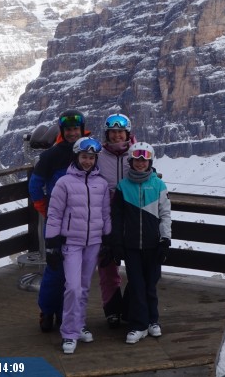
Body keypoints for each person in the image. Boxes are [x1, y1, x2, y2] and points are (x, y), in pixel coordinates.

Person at [45, 136, 111, 355]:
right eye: (84, 157)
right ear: (76, 156)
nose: (87, 161)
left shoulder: (101, 183)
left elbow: (105, 213)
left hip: (94, 241)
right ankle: (69, 333)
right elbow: (54, 214)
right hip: (71, 242)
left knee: (83, 287)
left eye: (91, 158)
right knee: (72, 287)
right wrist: (51, 244)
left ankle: (79, 325)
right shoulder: (64, 183)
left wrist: (107, 239)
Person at [28, 110, 88, 332]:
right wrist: (45, 209)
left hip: (80, 222)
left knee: (73, 272)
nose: (72, 133)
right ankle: (47, 311)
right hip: (57, 222)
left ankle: (65, 313)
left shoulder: (88, 151)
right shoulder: (51, 155)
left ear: (82, 129)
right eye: (68, 129)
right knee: (55, 268)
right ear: (62, 131)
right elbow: (35, 185)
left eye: (76, 129)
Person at [110, 142, 171, 345]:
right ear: (130, 161)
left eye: (144, 160)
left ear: (150, 162)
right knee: (136, 285)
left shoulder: (159, 185)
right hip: (132, 246)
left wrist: (165, 240)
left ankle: (153, 320)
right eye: (137, 159)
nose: (140, 163)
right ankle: (139, 325)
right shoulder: (123, 186)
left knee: (150, 285)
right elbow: (117, 218)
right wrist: (117, 244)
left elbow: (165, 215)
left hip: (153, 245)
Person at [95, 112, 134, 327]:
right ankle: (112, 310)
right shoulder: (98, 155)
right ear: (107, 134)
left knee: (135, 265)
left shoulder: (137, 153)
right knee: (107, 265)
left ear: (127, 133)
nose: (117, 135)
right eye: (112, 132)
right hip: (105, 218)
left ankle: (129, 308)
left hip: (130, 217)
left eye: (120, 132)